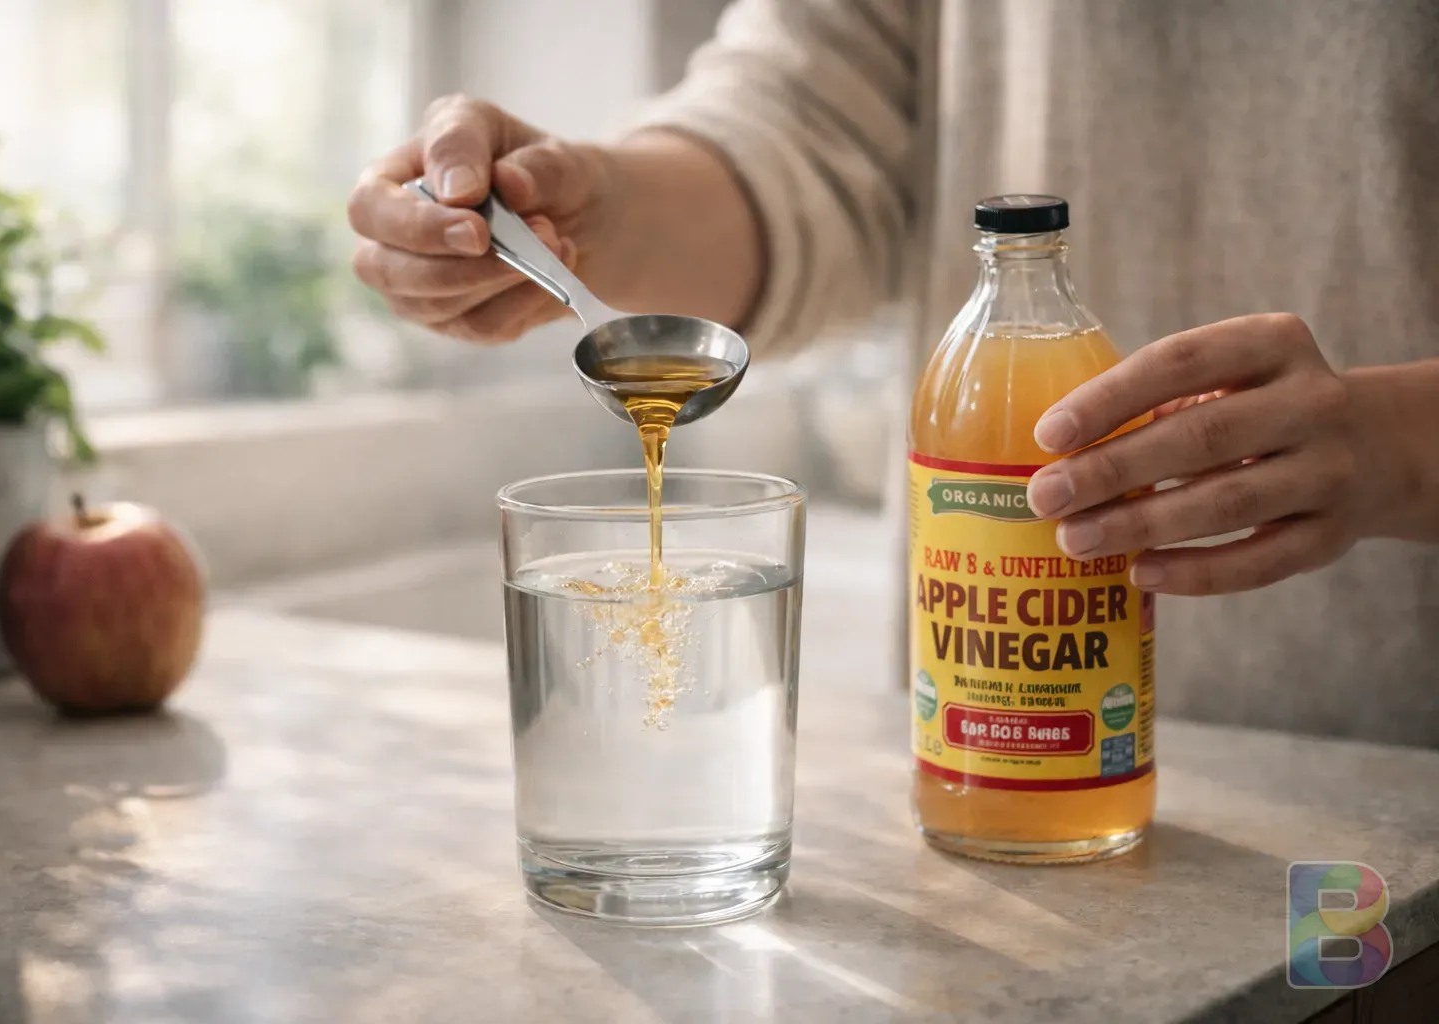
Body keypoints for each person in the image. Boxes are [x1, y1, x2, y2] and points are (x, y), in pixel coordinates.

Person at [347, 0, 1439, 746]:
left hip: (1400, 767)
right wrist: (594, 207)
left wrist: (1402, 446)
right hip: (976, 770)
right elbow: (807, 126)